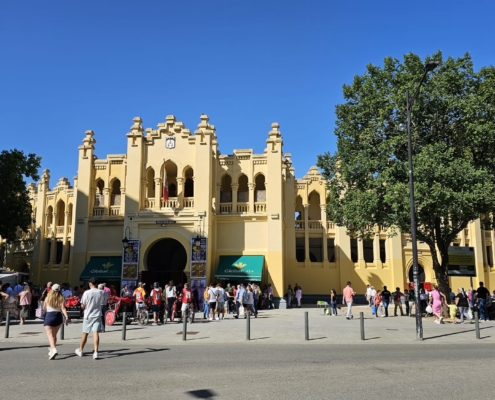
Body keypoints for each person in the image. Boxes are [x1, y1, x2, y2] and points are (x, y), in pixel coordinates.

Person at [75, 278, 104, 359]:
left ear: (90, 284)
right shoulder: (101, 292)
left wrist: (84, 306)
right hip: (97, 314)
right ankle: (96, 352)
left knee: (85, 333)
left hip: (88, 315)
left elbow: (83, 305)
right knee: (96, 333)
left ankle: (80, 350)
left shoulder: (87, 292)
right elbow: (103, 300)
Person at [43, 284, 69, 360]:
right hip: (58, 316)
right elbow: (63, 308)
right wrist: (66, 316)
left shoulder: (48, 297)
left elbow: (44, 308)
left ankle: (53, 349)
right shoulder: (61, 298)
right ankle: (51, 350)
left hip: (49, 315)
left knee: (50, 335)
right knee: (54, 335)